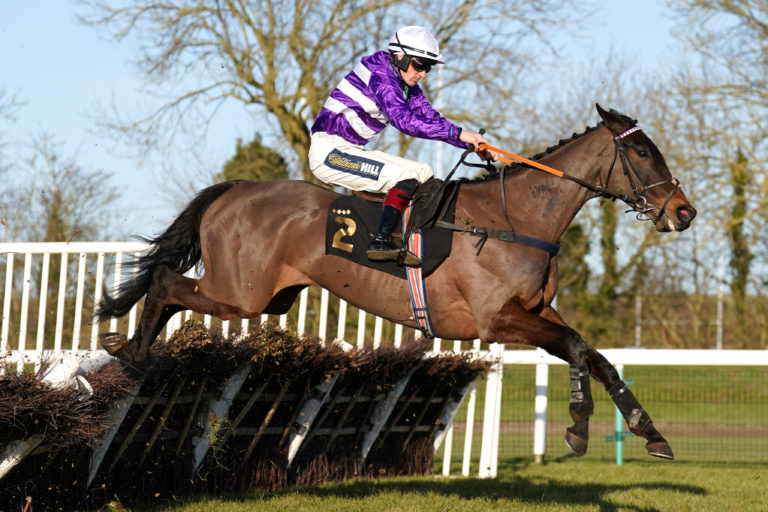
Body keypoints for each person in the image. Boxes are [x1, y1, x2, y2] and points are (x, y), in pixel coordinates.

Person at [309, 25, 498, 265]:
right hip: (329, 153)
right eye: (420, 65)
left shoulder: (405, 83)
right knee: (406, 175)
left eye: (428, 67)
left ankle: (398, 235)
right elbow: (403, 120)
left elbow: (431, 118)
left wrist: (470, 143)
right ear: (400, 56)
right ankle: (380, 241)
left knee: (424, 171)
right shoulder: (381, 74)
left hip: (350, 150)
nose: (423, 73)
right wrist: (459, 134)